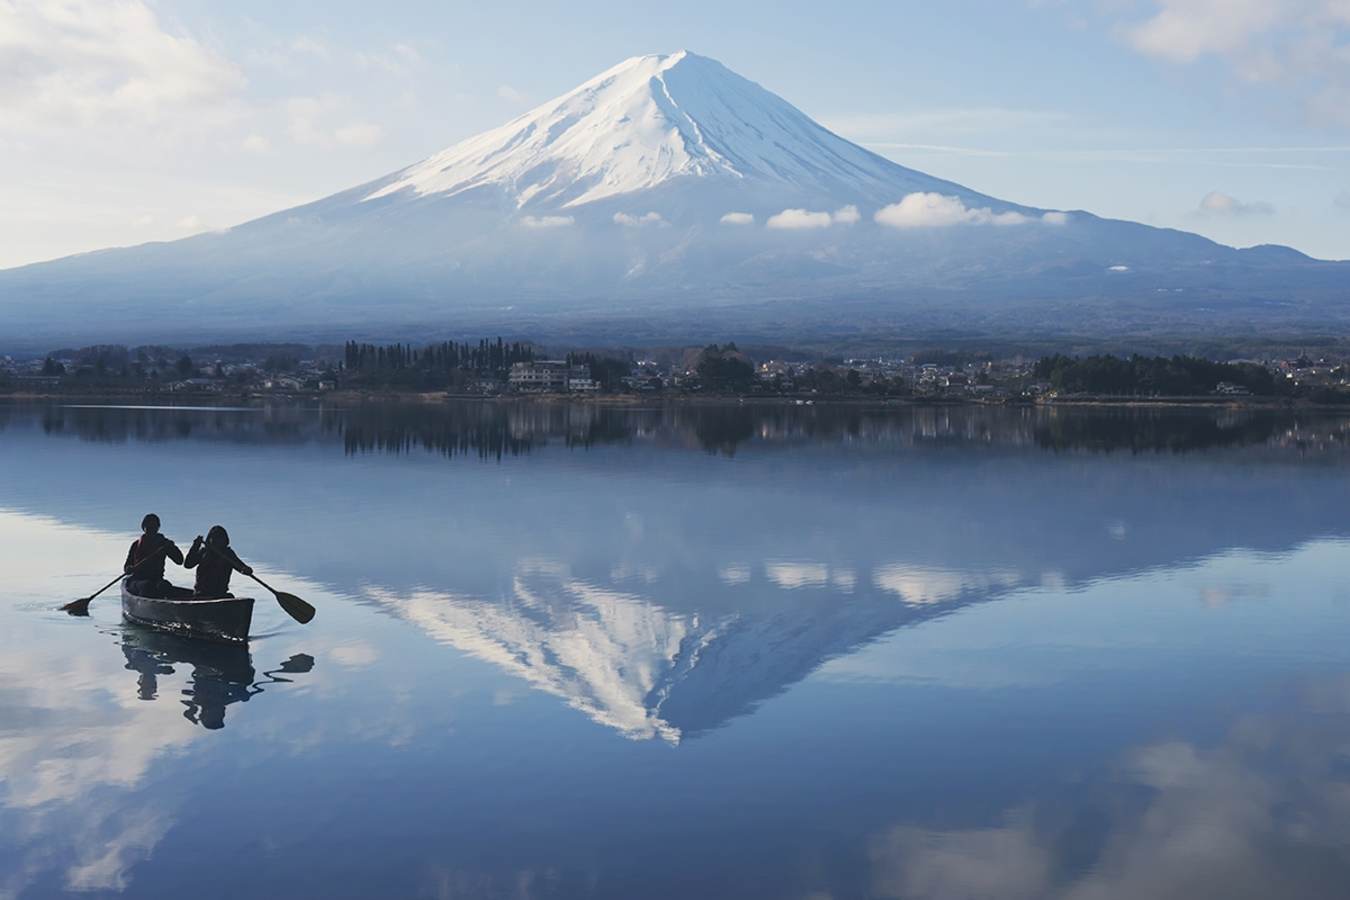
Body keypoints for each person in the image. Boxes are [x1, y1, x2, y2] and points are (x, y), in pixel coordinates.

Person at [124, 513, 189, 598]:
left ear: (158, 528)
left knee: (165, 586)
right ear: (144, 528)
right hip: (137, 580)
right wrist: (129, 568)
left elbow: (179, 561)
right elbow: (127, 567)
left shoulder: (163, 544)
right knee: (147, 586)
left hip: (156, 580)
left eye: (154, 527)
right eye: (149, 527)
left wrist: (172, 548)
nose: (151, 530)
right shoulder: (136, 545)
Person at [185, 525, 253, 599]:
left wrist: (247, 570)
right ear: (210, 539)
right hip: (201, 594)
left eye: (219, 539)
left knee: (230, 596)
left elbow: (241, 567)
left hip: (220, 593)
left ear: (224, 540)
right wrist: (195, 546)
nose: (217, 541)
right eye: (214, 538)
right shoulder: (204, 552)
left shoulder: (228, 554)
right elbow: (188, 564)